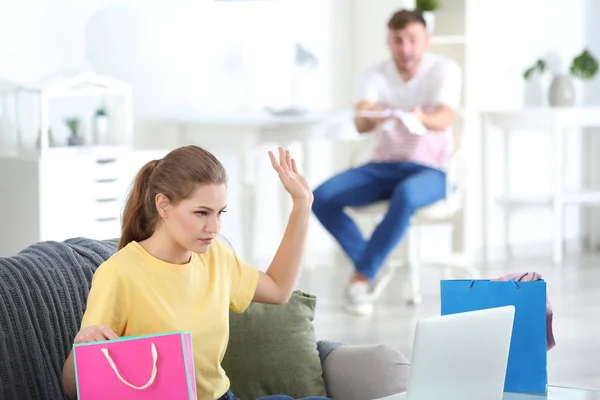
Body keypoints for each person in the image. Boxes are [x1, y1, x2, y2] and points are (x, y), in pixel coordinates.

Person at [61, 145, 329, 400]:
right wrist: (82, 348)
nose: (214, 227)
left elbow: (279, 289)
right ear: (163, 205)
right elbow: (75, 387)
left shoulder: (215, 257)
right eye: (201, 213)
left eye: (219, 213)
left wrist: (302, 204)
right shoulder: (119, 273)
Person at [312, 9, 462, 315]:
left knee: (405, 194)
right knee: (320, 197)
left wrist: (418, 116)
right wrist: (377, 114)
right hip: (382, 166)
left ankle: (362, 275)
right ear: (388, 42)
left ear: (425, 41)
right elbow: (361, 123)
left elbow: (445, 116)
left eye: (412, 40)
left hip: (431, 170)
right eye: (398, 40)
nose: (405, 48)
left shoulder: (444, 71)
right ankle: (370, 261)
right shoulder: (373, 75)